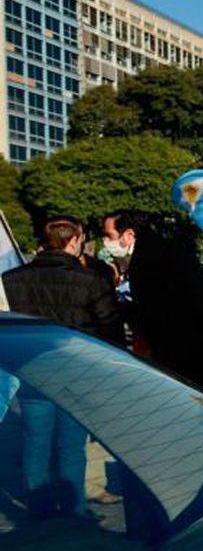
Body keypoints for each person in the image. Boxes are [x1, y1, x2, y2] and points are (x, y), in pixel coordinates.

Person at [3, 216, 128, 518]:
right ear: (73, 241)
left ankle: (40, 511)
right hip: (77, 374)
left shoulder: (12, 279)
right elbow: (110, 329)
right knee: (72, 448)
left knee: (35, 444)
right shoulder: (91, 280)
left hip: (33, 373)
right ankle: (74, 513)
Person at [102, 209, 203, 404]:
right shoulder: (170, 250)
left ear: (129, 234)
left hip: (186, 359)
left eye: (109, 235)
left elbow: (154, 314)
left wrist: (122, 309)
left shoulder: (146, 263)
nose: (106, 241)